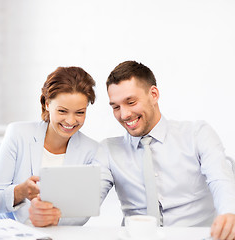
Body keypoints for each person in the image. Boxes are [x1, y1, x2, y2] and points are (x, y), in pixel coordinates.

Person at [96, 61, 235, 239]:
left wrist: (229, 214)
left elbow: (220, 179)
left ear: (153, 94)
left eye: (131, 102)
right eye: (116, 107)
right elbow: (87, 203)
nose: (124, 115)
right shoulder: (108, 151)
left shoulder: (197, 135)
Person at [0, 66, 98, 226]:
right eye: (62, 111)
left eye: (79, 112)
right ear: (47, 104)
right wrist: (20, 192)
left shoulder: (91, 150)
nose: (71, 121)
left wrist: (54, 217)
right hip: (5, 233)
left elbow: (82, 213)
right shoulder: (18, 134)